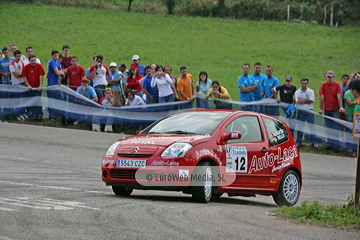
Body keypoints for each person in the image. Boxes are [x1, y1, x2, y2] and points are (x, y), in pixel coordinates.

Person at [318, 70, 345, 152]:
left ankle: (336, 145)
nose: (329, 79)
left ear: (333, 77)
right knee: (327, 127)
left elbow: (339, 97)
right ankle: (329, 143)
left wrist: (341, 107)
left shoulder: (337, 85)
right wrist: (321, 108)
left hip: (335, 109)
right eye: (328, 77)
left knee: (335, 127)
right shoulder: (323, 85)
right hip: (327, 109)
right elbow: (322, 97)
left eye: (330, 77)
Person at [294, 78, 317, 148]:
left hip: (309, 111)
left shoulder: (311, 91)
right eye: (303, 83)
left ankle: (314, 141)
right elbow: (298, 102)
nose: (304, 85)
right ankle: (299, 141)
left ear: (307, 84)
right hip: (301, 111)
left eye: (305, 83)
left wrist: (302, 100)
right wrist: (306, 99)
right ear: (300, 84)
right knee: (300, 127)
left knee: (311, 127)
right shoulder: (297, 92)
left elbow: (311, 101)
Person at [22, 54, 45, 121]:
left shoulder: (39, 66)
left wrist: (40, 85)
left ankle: (39, 114)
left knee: (38, 101)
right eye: (32, 60)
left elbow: (41, 76)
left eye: (34, 60)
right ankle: (33, 114)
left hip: (37, 88)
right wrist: (28, 85)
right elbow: (24, 77)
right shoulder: (26, 67)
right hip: (30, 88)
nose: (33, 62)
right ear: (29, 61)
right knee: (31, 101)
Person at [9, 50, 27, 120]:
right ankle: (18, 114)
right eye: (17, 56)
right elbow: (16, 75)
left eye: (19, 56)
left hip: (22, 82)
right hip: (16, 83)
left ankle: (22, 112)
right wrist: (22, 75)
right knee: (17, 100)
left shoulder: (22, 63)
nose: (19, 58)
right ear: (14, 56)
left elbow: (23, 73)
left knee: (22, 99)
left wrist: (22, 75)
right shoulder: (11, 64)